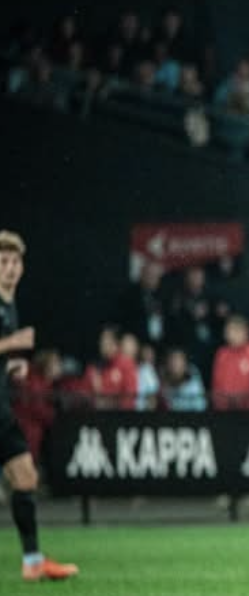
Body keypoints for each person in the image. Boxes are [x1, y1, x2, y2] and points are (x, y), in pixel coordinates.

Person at [0, 231, 79, 580]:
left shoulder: (9, 302)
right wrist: (11, 344)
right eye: (3, 261)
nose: (10, 268)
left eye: (15, 261)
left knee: (26, 477)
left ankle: (32, 563)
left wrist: (10, 365)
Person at [210, 315, 249, 411]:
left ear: (245, 332)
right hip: (225, 413)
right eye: (229, 331)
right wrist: (221, 407)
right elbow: (216, 386)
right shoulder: (221, 354)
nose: (231, 334)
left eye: (236, 330)